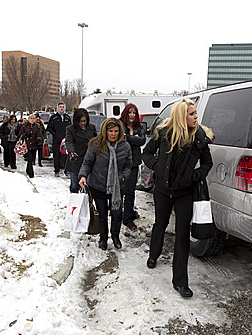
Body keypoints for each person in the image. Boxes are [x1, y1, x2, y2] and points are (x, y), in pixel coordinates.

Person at [142, 98, 213, 298]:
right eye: (191, 114)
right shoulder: (164, 133)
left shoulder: (199, 138)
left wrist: (196, 175)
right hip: (163, 190)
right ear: (182, 116)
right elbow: (146, 154)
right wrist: (157, 167)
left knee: (182, 234)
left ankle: (180, 282)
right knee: (160, 224)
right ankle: (153, 255)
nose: (195, 117)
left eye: (195, 113)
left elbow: (208, 163)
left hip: (184, 193)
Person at [78, 118, 132, 250]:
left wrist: (123, 177)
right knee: (102, 214)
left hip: (117, 187)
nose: (113, 134)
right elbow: (87, 162)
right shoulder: (95, 144)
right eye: (110, 131)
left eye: (116, 131)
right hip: (98, 185)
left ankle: (115, 236)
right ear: (105, 131)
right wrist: (83, 175)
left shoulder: (125, 146)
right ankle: (103, 238)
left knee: (117, 214)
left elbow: (128, 166)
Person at [119, 103, 146, 230]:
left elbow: (142, 141)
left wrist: (128, 137)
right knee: (118, 190)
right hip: (120, 163)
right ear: (126, 113)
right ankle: (117, 214)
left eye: (134, 113)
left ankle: (128, 218)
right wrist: (132, 138)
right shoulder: (120, 125)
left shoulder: (139, 127)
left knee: (130, 192)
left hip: (133, 164)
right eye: (130, 112)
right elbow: (119, 140)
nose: (132, 115)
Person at [66, 109, 97, 193]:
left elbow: (96, 141)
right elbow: (69, 142)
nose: (82, 123)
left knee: (88, 186)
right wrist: (71, 152)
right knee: (75, 185)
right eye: (80, 121)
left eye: (84, 121)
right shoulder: (70, 129)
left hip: (89, 160)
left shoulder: (91, 128)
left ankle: (88, 203)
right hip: (76, 160)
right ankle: (75, 203)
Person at [47, 102, 72, 177]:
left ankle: (66, 170)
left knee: (65, 156)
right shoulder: (54, 117)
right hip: (56, 140)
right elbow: (49, 128)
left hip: (65, 140)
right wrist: (55, 134)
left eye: (63, 107)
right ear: (57, 108)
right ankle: (56, 170)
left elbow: (70, 127)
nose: (61, 108)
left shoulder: (67, 117)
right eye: (60, 107)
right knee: (56, 155)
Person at [18, 114, 42, 178]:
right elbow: (20, 134)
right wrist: (25, 135)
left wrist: (38, 139)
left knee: (32, 159)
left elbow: (39, 134)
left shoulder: (37, 127)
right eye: (31, 119)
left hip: (34, 144)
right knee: (29, 158)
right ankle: (31, 172)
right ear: (28, 119)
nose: (32, 120)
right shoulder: (24, 126)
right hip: (27, 145)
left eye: (33, 119)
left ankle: (28, 169)